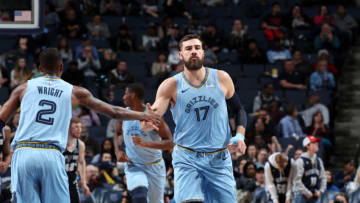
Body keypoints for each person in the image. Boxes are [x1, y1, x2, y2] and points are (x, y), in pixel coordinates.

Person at [0, 48, 160, 203]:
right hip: (50, 153)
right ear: (61, 67)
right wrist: (144, 114)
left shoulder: (23, 88)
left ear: (40, 68)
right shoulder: (75, 92)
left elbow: (1, 119)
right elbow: (114, 112)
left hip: (23, 153)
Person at [149, 34, 247, 202]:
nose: (193, 51)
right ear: (180, 55)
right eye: (188, 49)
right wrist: (148, 120)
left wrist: (239, 135)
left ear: (203, 53)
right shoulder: (170, 85)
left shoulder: (222, 78)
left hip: (219, 158)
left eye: (197, 48)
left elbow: (239, 110)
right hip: (187, 158)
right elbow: (155, 113)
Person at [114, 83, 173, 203]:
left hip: (155, 166)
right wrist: (118, 151)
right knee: (139, 196)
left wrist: (145, 143)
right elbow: (118, 134)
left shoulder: (154, 116)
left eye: (125, 93)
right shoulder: (123, 115)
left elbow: (170, 143)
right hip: (134, 165)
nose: (123, 97)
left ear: (133, 95)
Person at [64, 117, 91, 203]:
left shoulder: (80, 144)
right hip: (59, 180)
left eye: (80, 127)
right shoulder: (60, 143)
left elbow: (81, 163)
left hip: (72, 180)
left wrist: (83, 183)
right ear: (68, 128)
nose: (79, 130)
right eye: (76, 127)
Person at [294, 136, 327, 203]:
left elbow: (323, 177)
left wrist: (321, 191)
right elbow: (296, 180)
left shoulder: (319, 161)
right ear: (307, 146)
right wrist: (307, 192)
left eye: (317, 142)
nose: (317, 144)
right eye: (314, 143)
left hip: (315, 193)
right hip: (301, 194)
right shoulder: (300, 161)